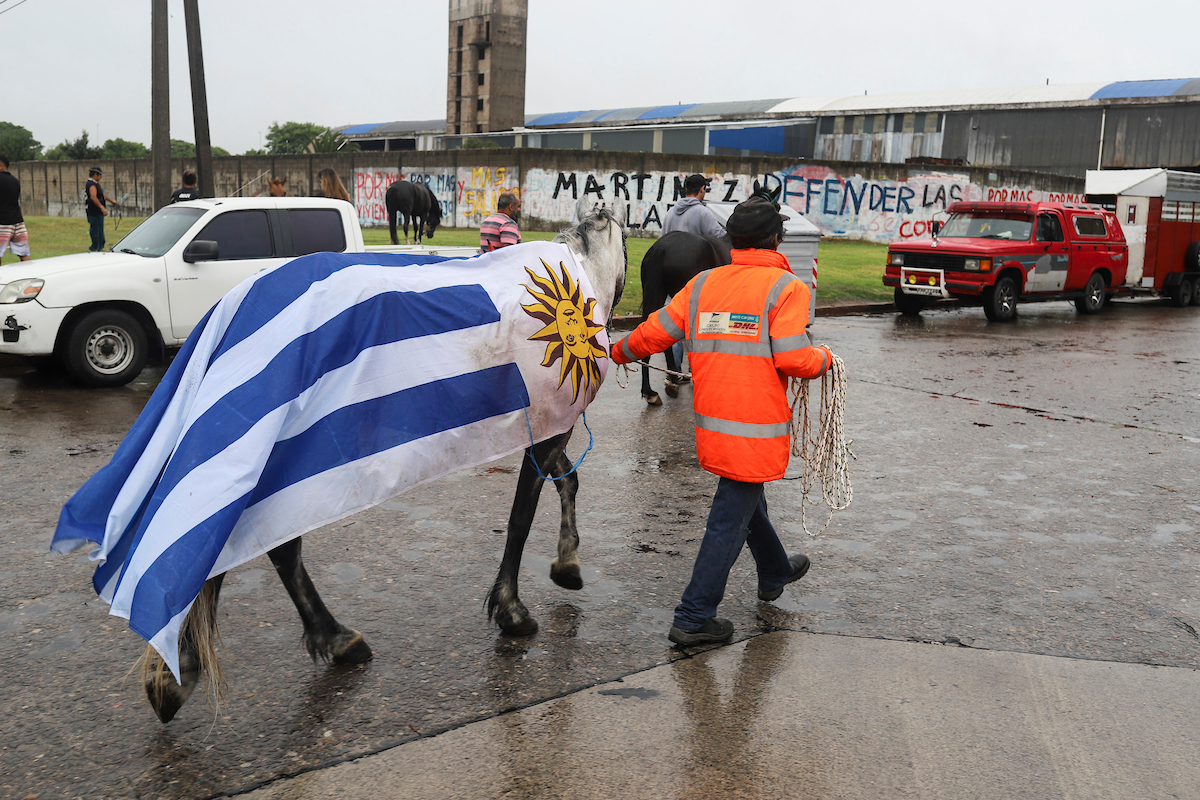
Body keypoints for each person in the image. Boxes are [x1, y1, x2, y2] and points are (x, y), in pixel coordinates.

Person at [611, 197, 834, 646]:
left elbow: (656, 330)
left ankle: (775, 569)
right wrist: (825, 358)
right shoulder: (788, 288)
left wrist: (618, 350)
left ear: (732, 239)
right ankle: (693, 617)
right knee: (728, 517)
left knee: (745, 498)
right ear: (776, 239)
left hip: (714, 426)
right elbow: (795, 357)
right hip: (757, 429)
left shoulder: (704, 283)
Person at [662, 173, 728, 240]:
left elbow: (662, 242)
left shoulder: (669, 213)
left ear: (686, 189)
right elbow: (720, 237)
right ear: (702, 189)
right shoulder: (703, 212)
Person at [0, 155, 30, 262]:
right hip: (18, 222)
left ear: (0, 166)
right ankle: (30, 275)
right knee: (24, 253)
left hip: (2, 222)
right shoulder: (15, 181)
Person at [84, 167, 118, 252]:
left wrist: (111, 201)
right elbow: (93, 197)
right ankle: (95, 247)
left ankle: (100, 246)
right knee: (96, 229)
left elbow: (102, 195)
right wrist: (102, 208)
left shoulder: (95, 184)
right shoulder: (91, 184)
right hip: (94, 211)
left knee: (99, 229)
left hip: (97, 211)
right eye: (100, 175)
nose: (101, 177)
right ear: (96, 175)